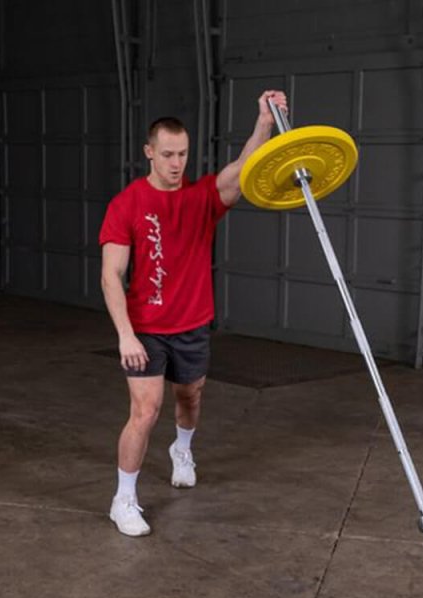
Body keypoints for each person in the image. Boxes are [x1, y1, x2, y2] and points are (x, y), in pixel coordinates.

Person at [99, 89, 288, 537]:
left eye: (182, 154)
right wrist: (125, 335)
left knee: (191, 397)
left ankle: (182, 449)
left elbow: (241, 172)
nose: (175, 163)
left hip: (193, 324)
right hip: (145, 328)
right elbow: (112, 276)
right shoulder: (127, 204)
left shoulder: (203, 196)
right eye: (167, 154)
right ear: (149, 152)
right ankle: (123, 499)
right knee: (145, 410)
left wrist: (263, 122)